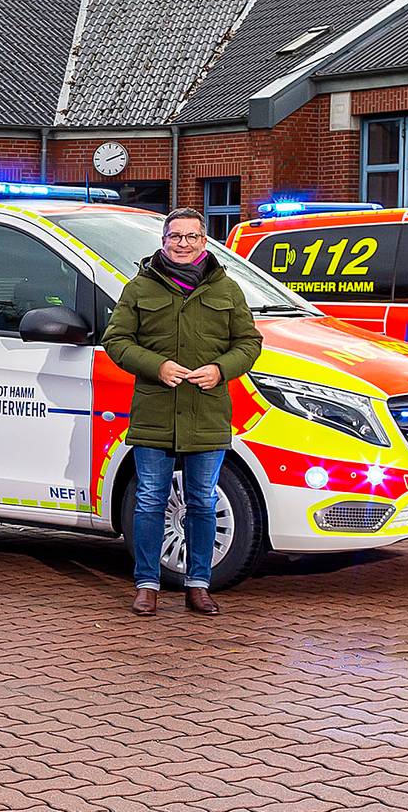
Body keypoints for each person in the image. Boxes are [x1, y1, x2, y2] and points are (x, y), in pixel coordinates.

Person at [102, 208, 262, 615]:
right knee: (150, 500)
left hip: (207, 413)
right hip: (155, 412)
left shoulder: (227, 289)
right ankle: (146, 584)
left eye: (192, 236)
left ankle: (198, 584)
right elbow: (116, 340)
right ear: (164, 241)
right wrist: (155, 366)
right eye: (175, 236)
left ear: (204, 242)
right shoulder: (140, 287)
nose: (183, 244)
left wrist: (221, 369)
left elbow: (249, 343)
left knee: (203, 502)